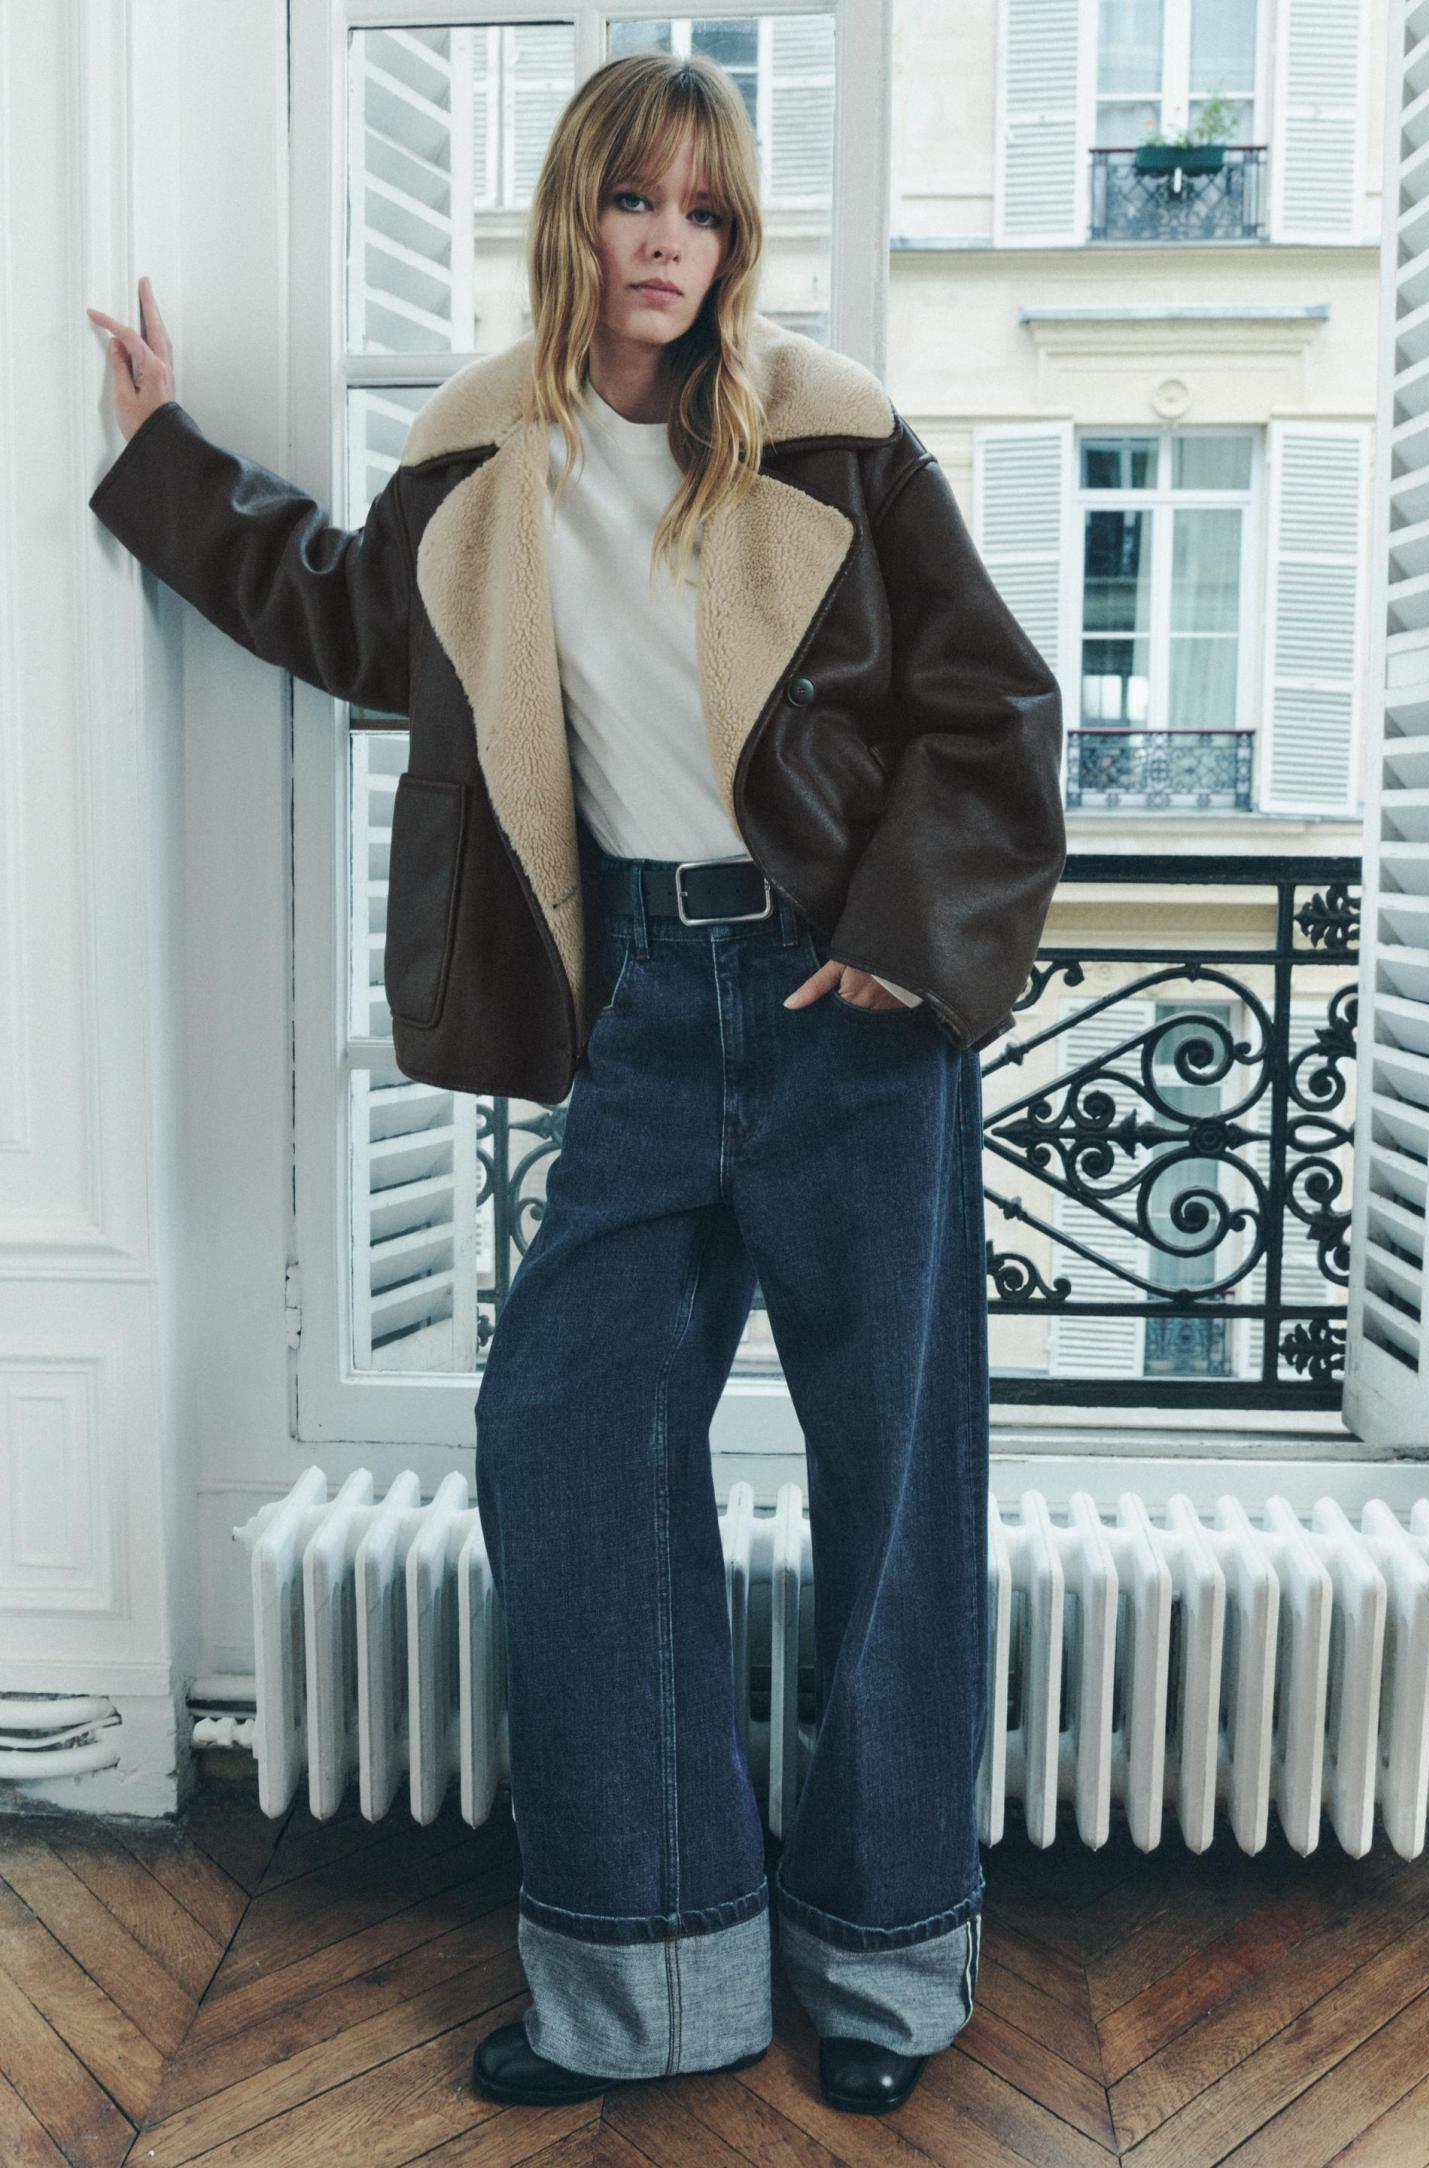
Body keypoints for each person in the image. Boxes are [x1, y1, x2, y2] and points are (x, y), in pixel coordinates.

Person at [87, 48, 1065, 2119]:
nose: (667, 245)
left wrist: (904, 931)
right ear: (574, 215)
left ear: (735, 240)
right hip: (637, 1012)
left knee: (897, 1477)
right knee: (565, 1434)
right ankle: (652, 1972)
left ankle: (885, 1958)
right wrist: (163, 456)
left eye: (705, 212)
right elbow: (346, 617)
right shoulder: (479, 455)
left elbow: (989, 707)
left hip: (846, 1010)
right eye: (636, 201)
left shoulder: (832, 439)